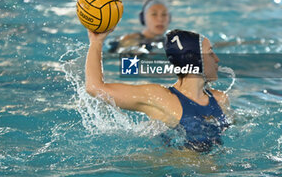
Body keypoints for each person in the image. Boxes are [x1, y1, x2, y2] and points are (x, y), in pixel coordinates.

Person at [86, 29, 230, 152]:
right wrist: (96, 42)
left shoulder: (220, 99)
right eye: (210, 53)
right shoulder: (159, 97)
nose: (216, 59)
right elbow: (95, 88)